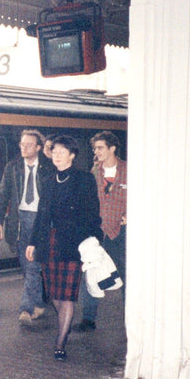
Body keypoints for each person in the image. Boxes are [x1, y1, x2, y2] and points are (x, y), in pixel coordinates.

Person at [25, 135, 102, 361]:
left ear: (72, 155)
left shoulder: (84, 179)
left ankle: (60, 341)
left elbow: (92, 213)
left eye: (61, 152)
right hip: (49, 242)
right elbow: (41, 215)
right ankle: (64, 325)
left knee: (67, 295)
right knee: (54, 295)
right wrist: (32, 241)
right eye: (54, 152)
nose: (57, 156)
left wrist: (92, 241)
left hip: (72, 243)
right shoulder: (48, 180)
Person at [0, 129, 54, 324]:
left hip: (40, 219)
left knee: (33, 265)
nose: (24, 148)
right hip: (18, 221)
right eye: (22, 144)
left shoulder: (48, 167)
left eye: (29, 145)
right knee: (27, 266)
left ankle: (26, 308)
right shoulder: (13, 167)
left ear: (38, 148)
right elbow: (2, 196)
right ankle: (40, 305)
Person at [75, 131, 127, 332]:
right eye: (95, 148)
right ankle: (88, 319)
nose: (96, 152)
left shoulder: (129, 170)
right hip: (97, 231)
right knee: (91, 271)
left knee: (125, 274)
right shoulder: (95, 171)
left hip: (121, 233)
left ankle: (131, 318)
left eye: (100, 148)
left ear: (112, 148)